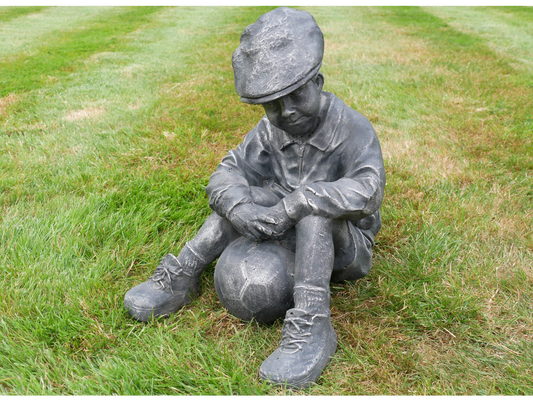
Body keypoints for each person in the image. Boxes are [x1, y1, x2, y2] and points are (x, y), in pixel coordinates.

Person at [124, 6, 385, 389]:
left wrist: (296, 203)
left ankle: (312, 322)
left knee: (315, 210)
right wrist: (239, 206)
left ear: (318, 82)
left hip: (342, 244)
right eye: (273, 104)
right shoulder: (268, 131)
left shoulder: (352, 128)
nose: (287, 111)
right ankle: (182, 275)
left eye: (296, 95)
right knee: (241, 196)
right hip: (285, 227)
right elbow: (227, 172)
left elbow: (367, 190)